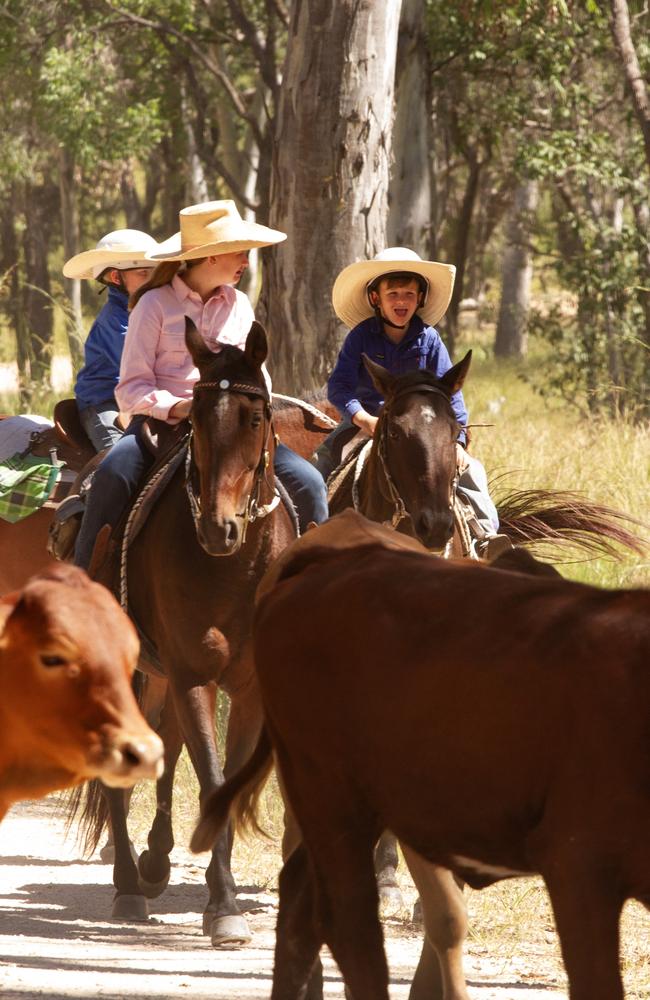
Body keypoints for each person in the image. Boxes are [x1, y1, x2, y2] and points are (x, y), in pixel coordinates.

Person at [73, 200, 328, 571]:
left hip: (237, 426)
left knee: (311, 483)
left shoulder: (239, 304)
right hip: (165, 427)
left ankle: (313, 584)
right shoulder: (153, 305)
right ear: (211, 256)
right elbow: (130, 390)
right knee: (112, 475)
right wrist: (180, 408)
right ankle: (88, 583)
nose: (245, 260)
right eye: (239, 252)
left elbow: (258, 376)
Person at [314, 246, 510, 559]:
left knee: (473, 471)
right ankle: (315, 532)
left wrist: (458, 440)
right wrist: (362, 418)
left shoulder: (429, 339)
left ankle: (485, 535)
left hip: (421, 426)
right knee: (322, 462)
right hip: (366, 422)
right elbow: (339, 386)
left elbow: (451, 393)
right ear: (375, 298)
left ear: (420, 298)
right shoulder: (360, 337)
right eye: (393, 294)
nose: (401, 301)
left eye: (408, 293)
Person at [63, 230, 159, 451]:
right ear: (116, 277)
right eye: (144, 273)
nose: (155, 280)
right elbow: (143, 366)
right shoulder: (115, 321)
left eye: (157, 272)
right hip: (104, 402)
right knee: (117, 458)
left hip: (141, 400)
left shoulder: (153, 309)